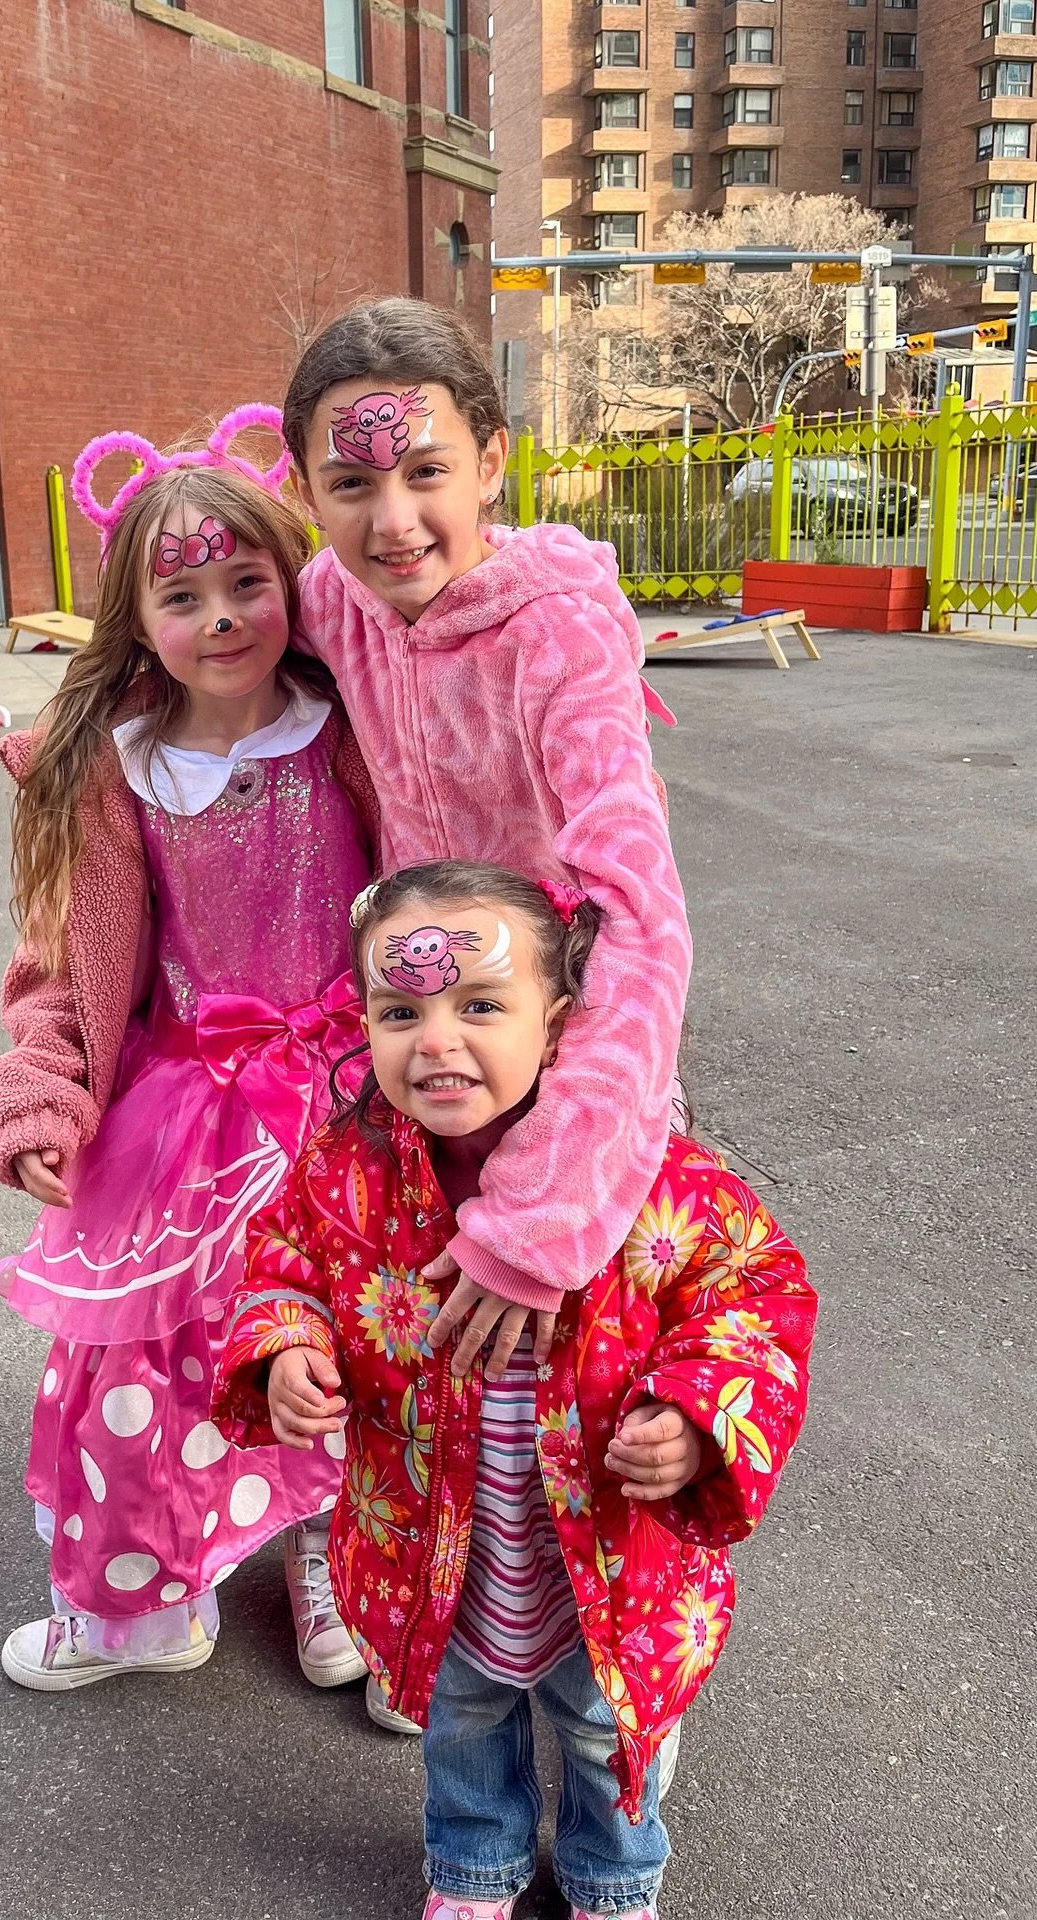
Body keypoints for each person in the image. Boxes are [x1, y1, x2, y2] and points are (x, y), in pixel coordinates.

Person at [214, 861, 816, 1920]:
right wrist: (288, 1348)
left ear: (563, 1024)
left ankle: (614, 1875)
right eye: (401, 1010)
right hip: (433, 1538)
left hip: (607, 1551)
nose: (435, 1040)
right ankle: (474, 1867)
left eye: (481, 1005)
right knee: (463, 1713)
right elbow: (283, 1264)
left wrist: (695, 1408)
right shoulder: (344, 1176)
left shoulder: (653, 1181)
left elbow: (755, 1293)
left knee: (600, 1720)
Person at [0, 407, 382, 1700]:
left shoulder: (351, 728)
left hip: (347, 1097)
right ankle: (156, 1587)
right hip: (181, 1107)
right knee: (141, 1366)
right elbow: (62, 963)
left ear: (295, 585)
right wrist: (43, 1096)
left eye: (247, 582)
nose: (220, 617)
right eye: (182, 594)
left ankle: (336, 1567)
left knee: (338, 1348)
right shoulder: (117, 771)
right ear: (134, 620)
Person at [283, 298, 692, 1389]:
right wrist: (87, 750)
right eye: (352, 485)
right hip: (421, 1042)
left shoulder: (556, 636)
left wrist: (545, 1212)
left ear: (492, 461)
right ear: (308, 491)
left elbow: (640, 916)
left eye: (426, 472)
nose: (393, 521)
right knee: (406, 1375)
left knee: (573, 1393)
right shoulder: (332, 597)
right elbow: (192, 638)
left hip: (563, 1052)